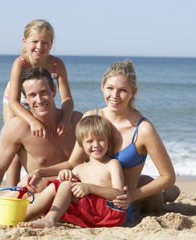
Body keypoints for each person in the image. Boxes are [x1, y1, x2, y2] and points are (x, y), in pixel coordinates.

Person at [19, 60, 180, 221]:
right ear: (102, 87)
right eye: (110, 88)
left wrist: (132, 195)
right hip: (90, 197)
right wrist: (39, 172)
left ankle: (166, 195)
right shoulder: (91, 117)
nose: (114, 96)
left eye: (122, 90)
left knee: (155, 202)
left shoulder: (143, 129)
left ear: (133, 92)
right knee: (46, 188)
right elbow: (73, 162)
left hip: (121, 203)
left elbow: (168, 176)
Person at [0, 67, 82, 196]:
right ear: (25, 97)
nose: (39, 100)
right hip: (42, 197)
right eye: (32, 95)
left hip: (78, 194)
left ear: (54, 91)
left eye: (44, 92)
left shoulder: (77, 121)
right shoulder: (17, 128)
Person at [18, 115, 126, 228]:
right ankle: (19, 218)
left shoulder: (112, 164)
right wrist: (64, 174)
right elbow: (61, 190)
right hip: (89, 211)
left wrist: (90, 188)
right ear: (81, 144)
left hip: (109, 213)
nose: (96, 145)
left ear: (108, 140)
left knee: (66, 185)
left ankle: (49, 220)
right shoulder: (79, 168)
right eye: (89, 141)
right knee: (56, 187)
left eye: (101, 140)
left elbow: (119, 194)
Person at [3, 19, 74, 187]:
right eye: (34, 42)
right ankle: (11, 194)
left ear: (51, 44)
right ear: (25, 42)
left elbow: (67, 99)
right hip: (17, 101)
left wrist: (66, 118)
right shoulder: (20, 63)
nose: (39, 47)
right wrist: (32, 121)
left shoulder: (58, 64)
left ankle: (43, 181)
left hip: (40, 99)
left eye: (45, 43)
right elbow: (13, 102)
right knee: (15, 151)